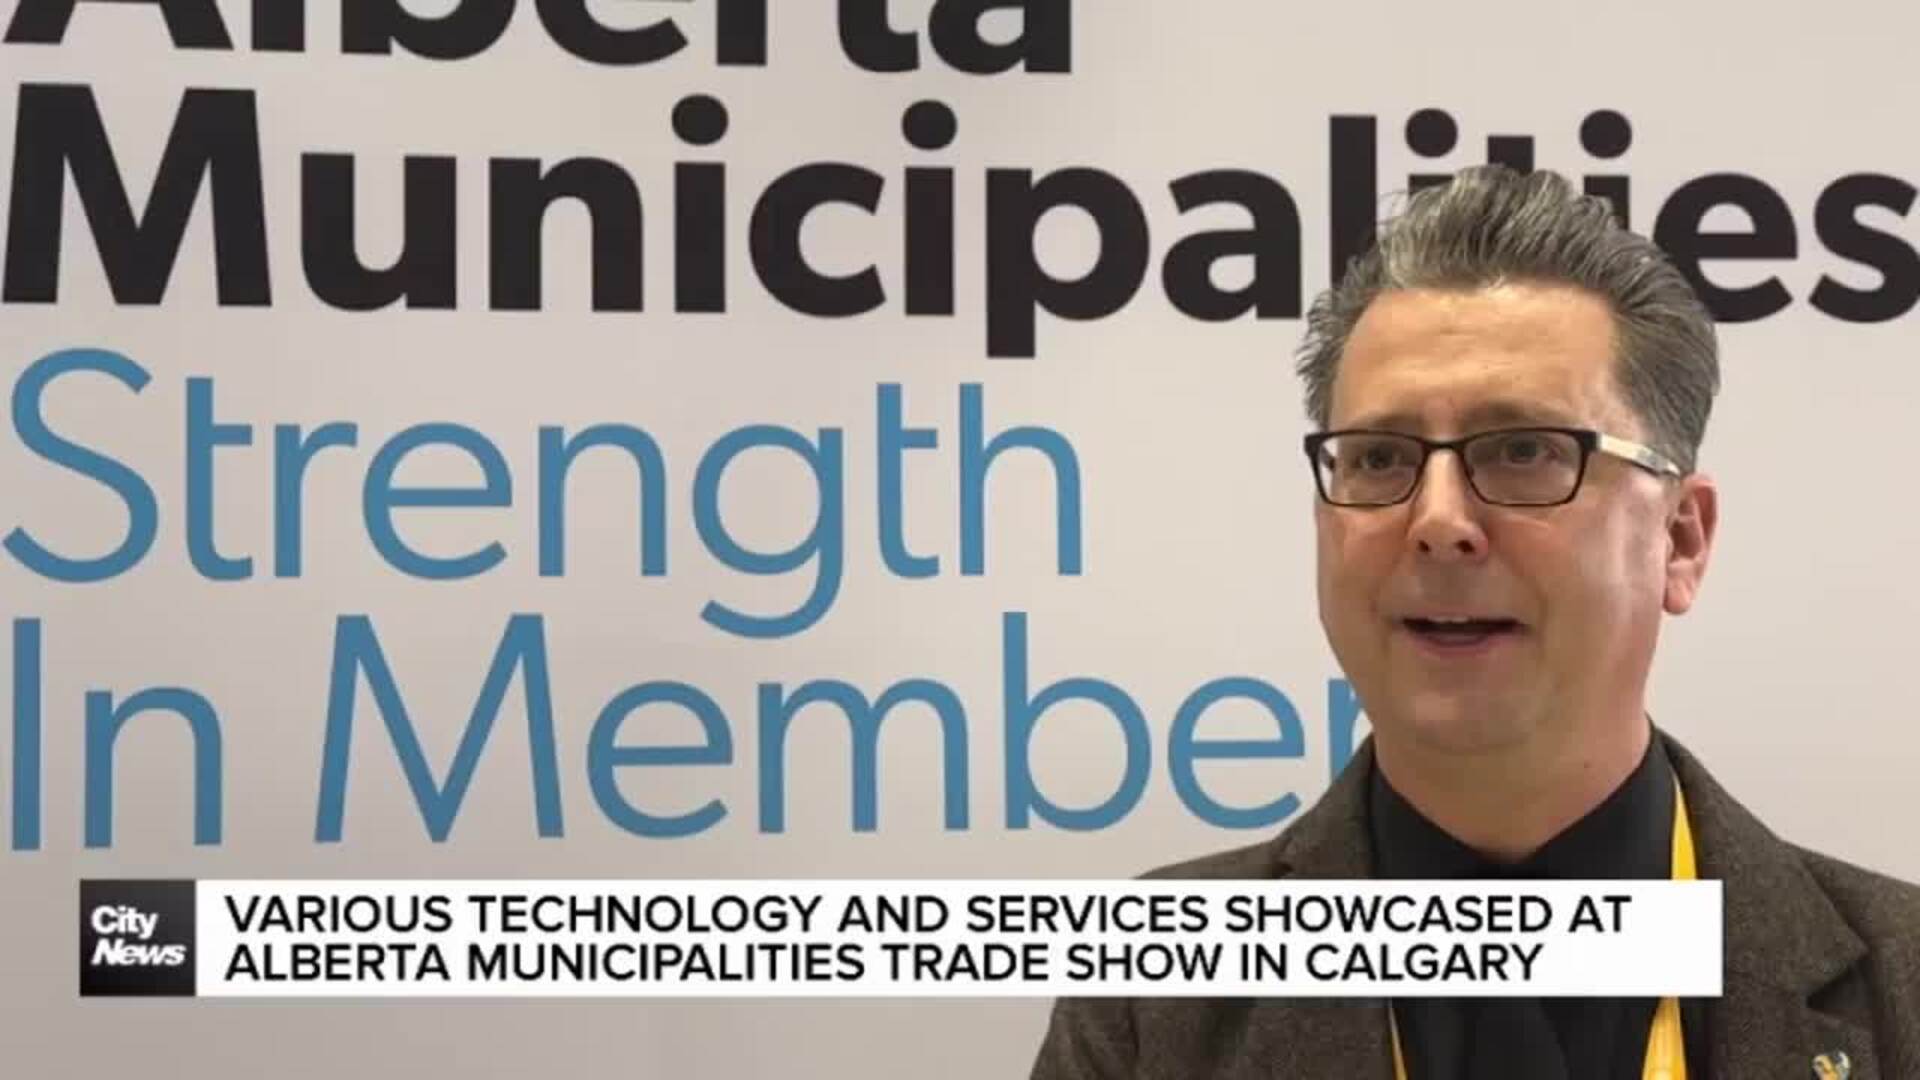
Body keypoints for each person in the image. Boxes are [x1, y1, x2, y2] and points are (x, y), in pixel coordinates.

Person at [1027, 165, 1920, 1079]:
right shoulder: (1152, 1007)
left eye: (1524, 449)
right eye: (1380, 457)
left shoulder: (1905, 986)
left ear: (1680, 539)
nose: (1440, 520)